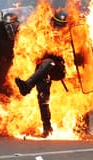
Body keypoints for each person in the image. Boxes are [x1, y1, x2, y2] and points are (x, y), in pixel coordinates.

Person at [15, 10, 68, 138]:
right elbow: (34, 51)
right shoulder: (43, 34)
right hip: (43, 70)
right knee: (43, 95)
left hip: (59, 69)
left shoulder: (70, 36)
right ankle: (47, 128)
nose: (58, 28)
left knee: (49, 62)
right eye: (56, 24)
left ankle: (27, 86)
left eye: (61, 25)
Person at [0, 12, 20, 97]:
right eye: (7, 25)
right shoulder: (0, 36)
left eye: (12, 24)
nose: (9, 28)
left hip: (19, 66)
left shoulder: (23, 35)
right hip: (4, 67)